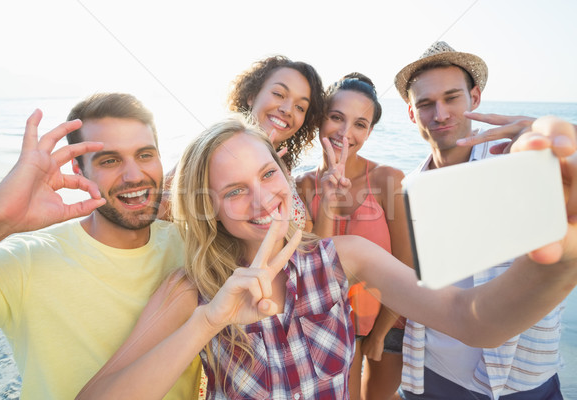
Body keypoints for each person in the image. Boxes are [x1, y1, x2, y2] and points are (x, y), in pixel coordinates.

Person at [78, 114, 577, 400]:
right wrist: (207, 323)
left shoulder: (345, 258)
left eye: (268, 175)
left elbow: (471, 320)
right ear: (208, 210)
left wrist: (562, 254)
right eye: (233, 191)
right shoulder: (190, 292)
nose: (262, 200)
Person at [0, 93, 200, 399]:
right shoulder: (25, 261)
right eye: (110, 160)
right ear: (79, 172)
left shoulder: (193, 247)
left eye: (146, 155)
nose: (134, 175)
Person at [394, 41, 568, 399]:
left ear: (474, 97)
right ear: (412, 114)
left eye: (451, 97)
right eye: (425, 104)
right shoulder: (409, 185)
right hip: (429, 376)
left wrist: (555, 160)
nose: (440, 114)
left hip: (519, 379)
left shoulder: (522, 163)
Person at [296, 73, 411, 399]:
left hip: (385, 326)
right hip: (323, 327)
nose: (346, 133)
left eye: (360, 124)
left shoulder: (386, 179)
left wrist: (378, 334)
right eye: (336, 118)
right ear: (319, 118)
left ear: (370, 131)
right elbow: (313, 268)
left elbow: (405, 264)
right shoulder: (302, 186)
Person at [159, 55, 324, 229]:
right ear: (252, 95)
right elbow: (154, 203)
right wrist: (215, 205)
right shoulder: (219, 148)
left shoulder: (281, 166)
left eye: (300, 107)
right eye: (278, 94)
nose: (287, 109)